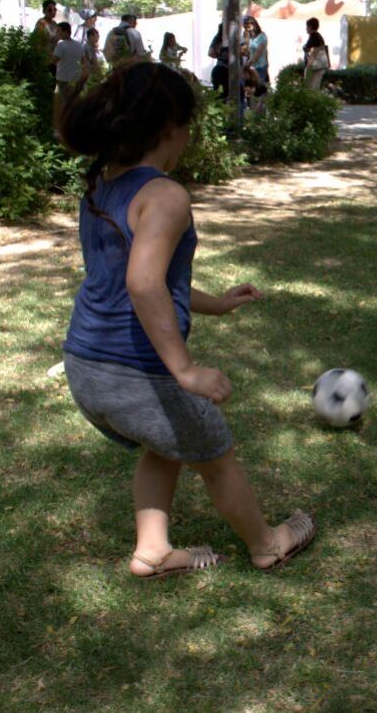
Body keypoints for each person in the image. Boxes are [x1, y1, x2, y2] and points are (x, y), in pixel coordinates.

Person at [57, 62, 316, 578]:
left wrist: (215, 303)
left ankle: (151, 551)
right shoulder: (165, 195)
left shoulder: (103, 186)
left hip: (85, 364)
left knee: (165, 443)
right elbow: (143, 284)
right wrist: (185, 371)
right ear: (169, 127)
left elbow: (141, 278)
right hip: (139, 370)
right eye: (190, 124)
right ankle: (267, 544)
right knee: (215, 455)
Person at [52, 21, 87, 110]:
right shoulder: (79, 45)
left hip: (63, 79)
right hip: (75, 79)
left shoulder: (61, 46)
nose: (57, 34)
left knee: (65, 103)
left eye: (59, 31)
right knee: (74, 102)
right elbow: (83, 62)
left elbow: (53, 61)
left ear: (66, 32)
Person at [302, 17, 330, 90]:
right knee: (315, 88)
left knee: (311, 89)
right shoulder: (318, 36)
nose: (306, 28)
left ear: (310, 27)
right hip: (319, 66)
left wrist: (308, 67)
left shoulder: (313, 36)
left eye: (307, 26)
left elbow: (314, 52)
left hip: (314, 67)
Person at [32, 0, 61, 69]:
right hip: (44, 59)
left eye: (55, 9)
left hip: (54, 59)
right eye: (50, 10)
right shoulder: (41, 24)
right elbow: (36, 42)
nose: (53, 12)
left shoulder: (55, 24)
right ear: (44, 11)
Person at [208, 24, 231, 100]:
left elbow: (210, 53)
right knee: (227, 95)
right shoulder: (231, 39)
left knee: (216, 94)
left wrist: (219, 56)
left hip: (218, 68)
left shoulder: (217, 38)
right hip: (227, 70)